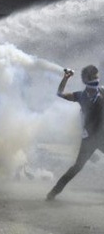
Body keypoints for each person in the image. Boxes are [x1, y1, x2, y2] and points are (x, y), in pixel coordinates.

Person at [46, 65, 104, 201]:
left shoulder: (102, 92)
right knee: (76, 168)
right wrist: (66, 78)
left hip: (102, 138)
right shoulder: (80, 96)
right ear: (86, 84)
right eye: (93, 83)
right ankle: (53, 193)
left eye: (97, 82)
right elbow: (60, 93)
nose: (96, 85)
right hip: (89, 140)